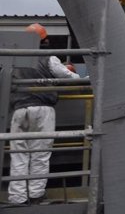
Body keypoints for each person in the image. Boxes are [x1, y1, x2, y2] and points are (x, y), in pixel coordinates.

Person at [7, 23, 80, 205]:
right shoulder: (49, 58)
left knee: (19, 154)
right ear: (44, 40)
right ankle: (36, 195)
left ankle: (17, 199)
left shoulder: (14, 59)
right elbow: (71, 78)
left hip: (19, 110)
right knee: (40, 154)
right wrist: (70, 71)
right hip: (43, 110)